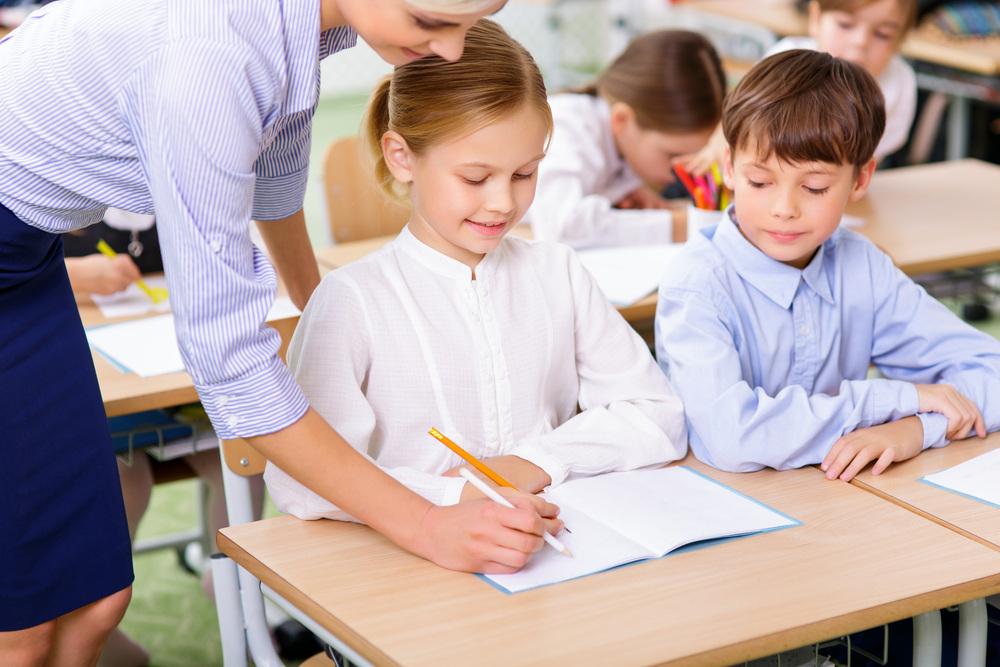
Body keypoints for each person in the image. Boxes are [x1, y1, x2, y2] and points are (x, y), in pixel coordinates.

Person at [0, 0, 551, 664]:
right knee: (24, 627)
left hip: (27, 260)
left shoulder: (304, 20)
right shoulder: (208, 59)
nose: (454, 50)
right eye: (432, 22)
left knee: (95, 601)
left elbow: (274, 181)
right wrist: (428, 525)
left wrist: (333, 314)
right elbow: (229, 368)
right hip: (19, 248)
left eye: (471, 21)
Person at [264, 19, 687, 523]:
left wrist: (529, 464)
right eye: (476, 177)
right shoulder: (350, 301)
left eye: (525, 173)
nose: (504, 201)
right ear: (402, 157)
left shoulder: (558, 272)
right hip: (406, 567)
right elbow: (304, 483)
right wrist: (450, 499)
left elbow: (657, 414)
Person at [654, 49, 1000, 481]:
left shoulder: (861, 268)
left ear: (860, 179)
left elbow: (993, 371)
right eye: (759, 182)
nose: (783, 208)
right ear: (728, 166)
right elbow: (732, 438)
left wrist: (915, 428)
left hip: (836, 504)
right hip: (723, 506)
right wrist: (896, 400)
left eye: (814, 187)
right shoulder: (698, 285)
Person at [520, 30, 726, 248]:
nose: (683, 170)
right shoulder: (568, 126)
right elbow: (561, 227)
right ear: (622, 119)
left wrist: (621, 190)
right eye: (673, 155)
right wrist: (678, 226)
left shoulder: (621, 143)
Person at [681, 0, 918, 175]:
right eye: (845, 25)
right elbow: (738, 119)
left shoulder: (899, 85)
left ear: (900, 39)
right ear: (815, 19)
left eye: (883, 34)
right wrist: (717, 149)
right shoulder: (785, 60)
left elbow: (870, 160)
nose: (860, 41)